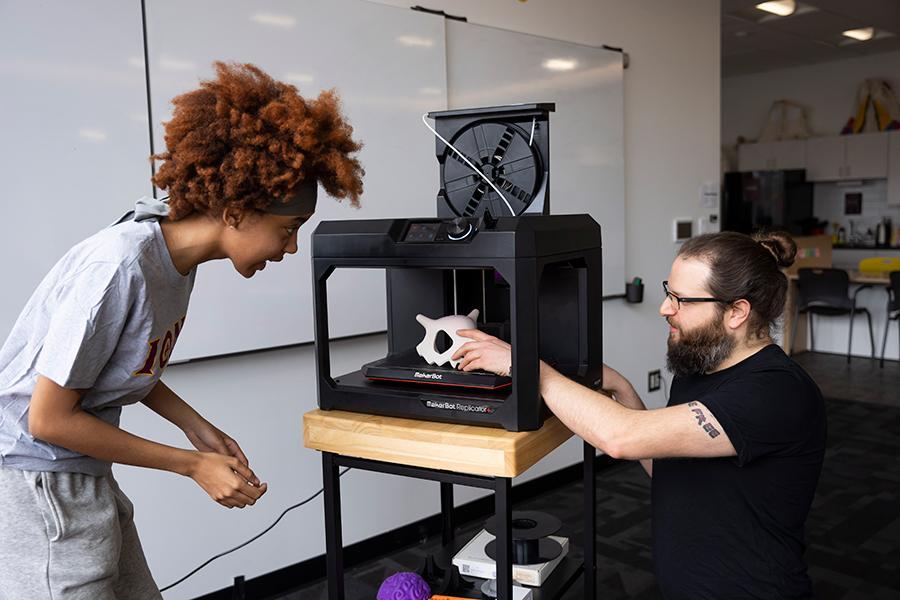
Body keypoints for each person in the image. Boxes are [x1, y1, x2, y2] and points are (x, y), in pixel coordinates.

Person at [0, 62, 364, 599]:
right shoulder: (120, 267)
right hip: (38, 485)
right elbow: (49, 418)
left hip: (81, 476)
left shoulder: (175, 263)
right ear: (238, 211)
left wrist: (195, 426)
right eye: (287, 231)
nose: (289, 250)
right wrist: (192, 465)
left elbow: (120, 364)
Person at [454, 231, 826, 600]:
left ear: (736, 312)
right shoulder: (698, 369)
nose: (665, 308)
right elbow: (668, 467)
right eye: (669, 292)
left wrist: (527, 369)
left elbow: (621, 438)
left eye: (681, 300)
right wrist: (623, 389)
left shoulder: (776, 392)